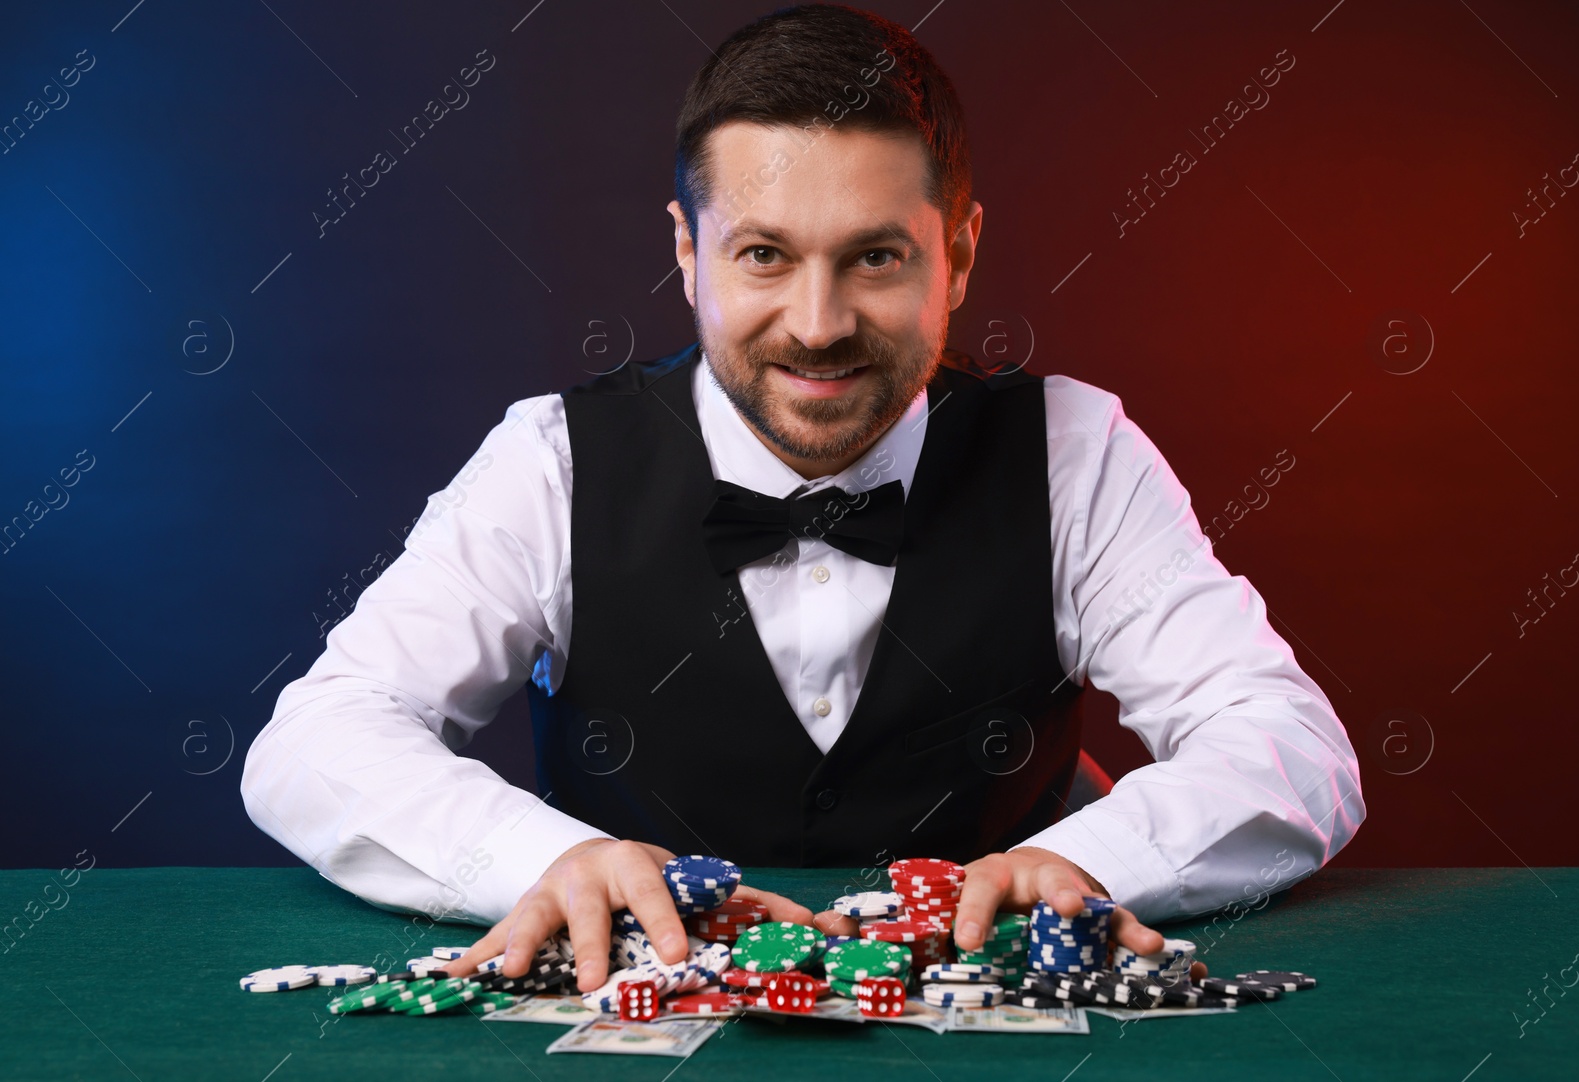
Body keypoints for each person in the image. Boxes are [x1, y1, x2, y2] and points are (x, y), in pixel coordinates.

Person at [241, 3, 1364, 991]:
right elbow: (318, 740)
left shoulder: (1072, 447)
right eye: (765, 255)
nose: (819, 323)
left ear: (959, 255)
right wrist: (538, 861)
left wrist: (1092, 861)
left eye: (875, 258)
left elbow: (1287, 743)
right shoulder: (552, 460)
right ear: (687, 255)